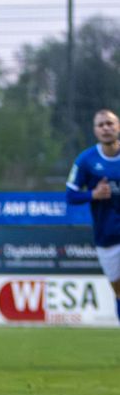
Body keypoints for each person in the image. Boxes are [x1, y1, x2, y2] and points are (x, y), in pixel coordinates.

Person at [66, 108, 120, 322]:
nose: (106, 128)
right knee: (118, 291)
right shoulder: (86, 160)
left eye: (110, 123)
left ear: (118, 126)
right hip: (107, 236)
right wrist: (93, 194)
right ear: (95, 131)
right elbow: (70, 196)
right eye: (101, 125)